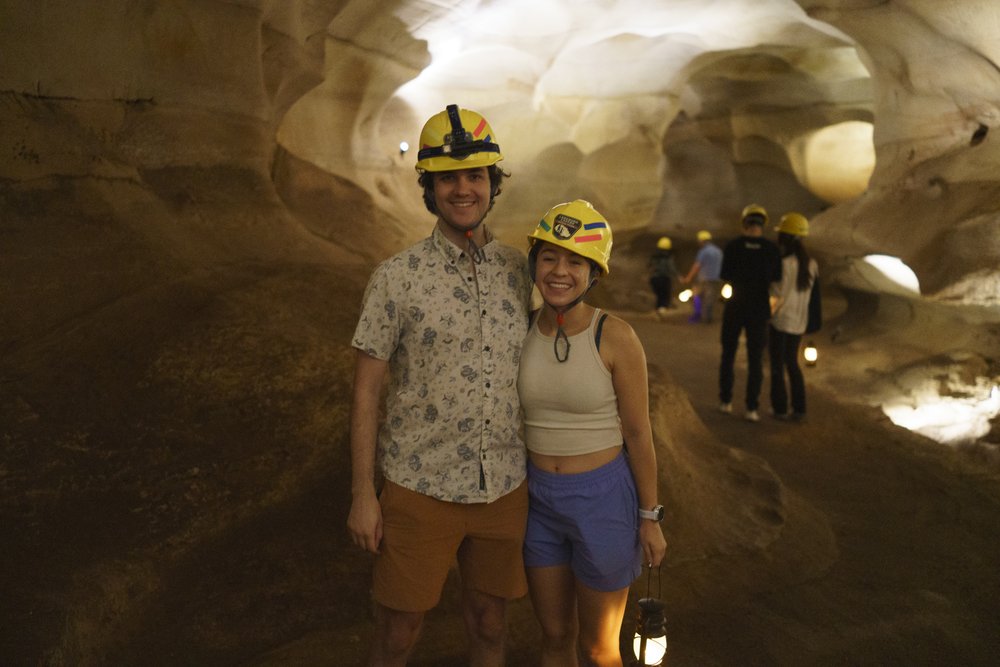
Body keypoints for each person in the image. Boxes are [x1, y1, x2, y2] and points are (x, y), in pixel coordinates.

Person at [347, 104, 533, 666]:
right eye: (448, 178)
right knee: (397, 634)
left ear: (491, 184)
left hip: (503, 485)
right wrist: (362, 495)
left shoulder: (520, 272)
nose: (463, 189)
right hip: (419, 485)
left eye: (475, 175)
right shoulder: (396, 278)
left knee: (490, 625)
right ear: (429, 188)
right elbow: (365, 394)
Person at [517, 199, 668, 666]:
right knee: (555, 636)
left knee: (599, 648)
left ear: (594, 273)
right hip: (538, 497)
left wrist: (650, 516)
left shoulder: (614, 335)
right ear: (535, 263)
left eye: (575, 261)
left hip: (602, 498)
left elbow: (639, 434)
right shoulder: (520, 330)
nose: (560, 271)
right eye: (549, 258)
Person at [718, 204, 782, 423]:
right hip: (759, 309)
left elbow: (725, 275)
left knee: (728, 354)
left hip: (736, 306)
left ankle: (726, 401)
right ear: (762, 225)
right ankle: (751, 407)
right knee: (755, 359)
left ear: (744, 223)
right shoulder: (771, 249)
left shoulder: (733, 246)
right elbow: (776, 280)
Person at [768, 212, 819, 422]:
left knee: (777, 366)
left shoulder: (784, 264)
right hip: (799, 323)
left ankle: (780, 408)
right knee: (793, 364)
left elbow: (776, 295)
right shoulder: (812, 265)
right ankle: (799, 408)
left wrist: (767, 314)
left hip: (781, 321)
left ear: (785, 237)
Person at [680, 230, 724, 324]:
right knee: (710, 298)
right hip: (715, 279)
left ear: (701, 241)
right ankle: (708, 317)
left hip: (703, 279)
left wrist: (688, 278)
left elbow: (697, 265)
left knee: (697, 297)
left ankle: (697, 316)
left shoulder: (704, 251)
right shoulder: (718, 251)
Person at [648, 236, 678, 316]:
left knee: (659, 296)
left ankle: (657, 311)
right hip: (664, 279)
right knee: (664, 296)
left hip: (654, 279)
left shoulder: (654, 257)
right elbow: (671, 268)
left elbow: (650, 267)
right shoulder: (668, 258)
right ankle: (661, 312)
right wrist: (678, 276)